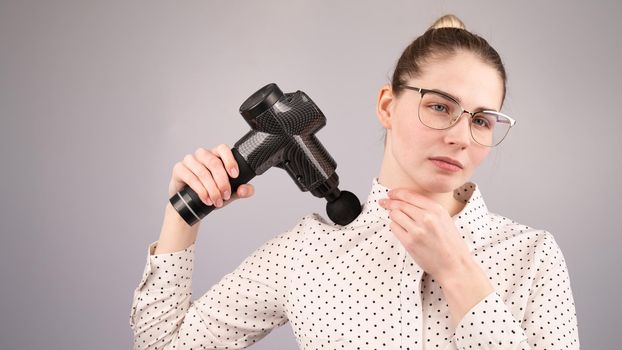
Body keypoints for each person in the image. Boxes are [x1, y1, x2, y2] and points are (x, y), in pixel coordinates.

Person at [130, 14, 579, 349]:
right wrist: (181, 215)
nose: (461, 136)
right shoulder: (306, 254)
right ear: (387, 105)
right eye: (440, 106)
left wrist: (457, 272)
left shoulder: (531, 255)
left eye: (482, 120)